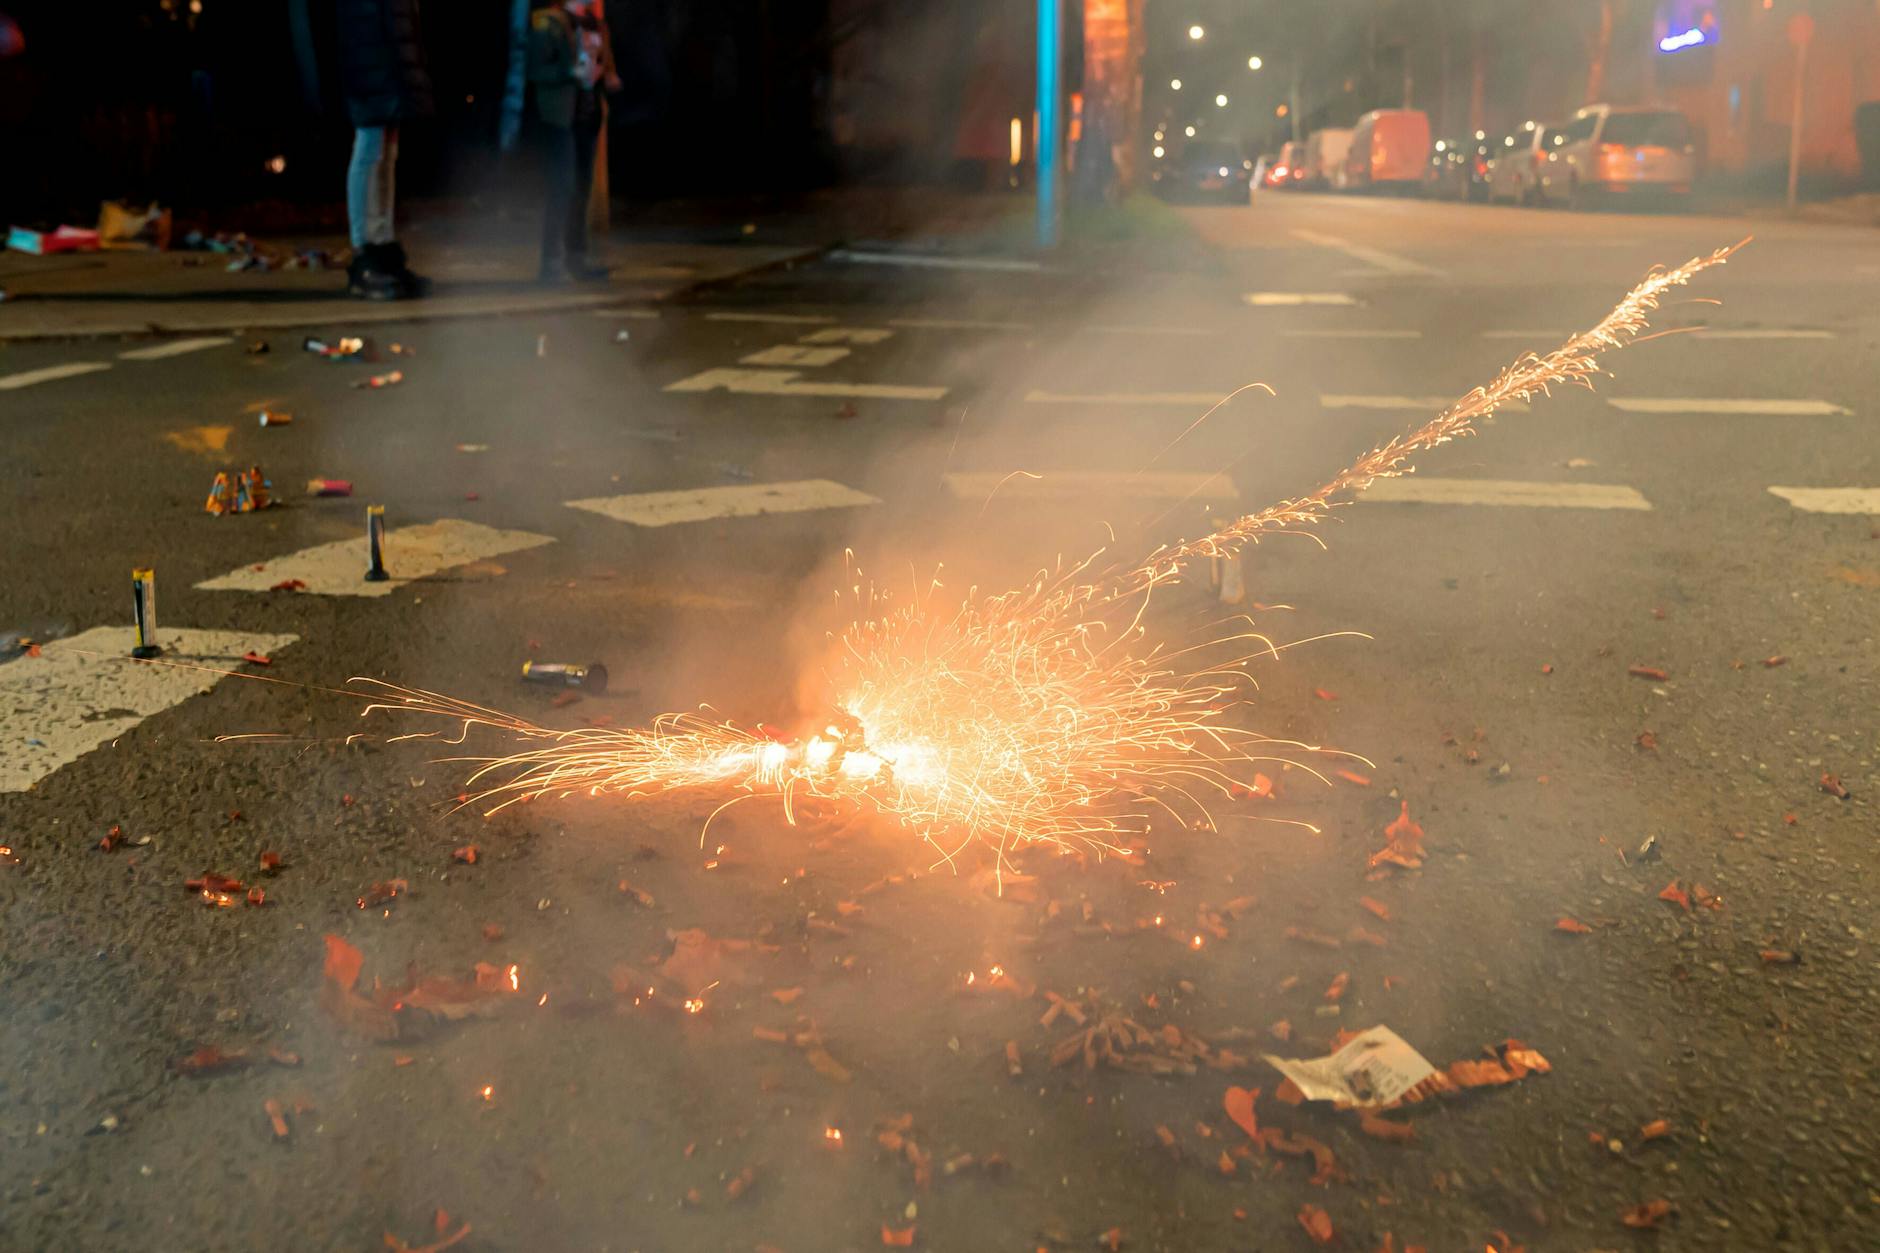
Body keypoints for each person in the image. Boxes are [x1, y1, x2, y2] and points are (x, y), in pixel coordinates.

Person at [337, 0, 433, 299]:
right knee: (370, 150)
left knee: (386, 153)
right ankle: (366, 251)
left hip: (385, 62)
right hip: (370, 61)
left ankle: (382, 245)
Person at [527, 0, 618, 283]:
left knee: (580, 189)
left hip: (587, 117)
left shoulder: (595, 24)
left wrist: (608, 77)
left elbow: (602, 64)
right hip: (560, 118)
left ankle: (576, 259)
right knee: (562, 188)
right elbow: (536, 70)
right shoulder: (549, 22)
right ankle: (551, 263)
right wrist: (569, 73)